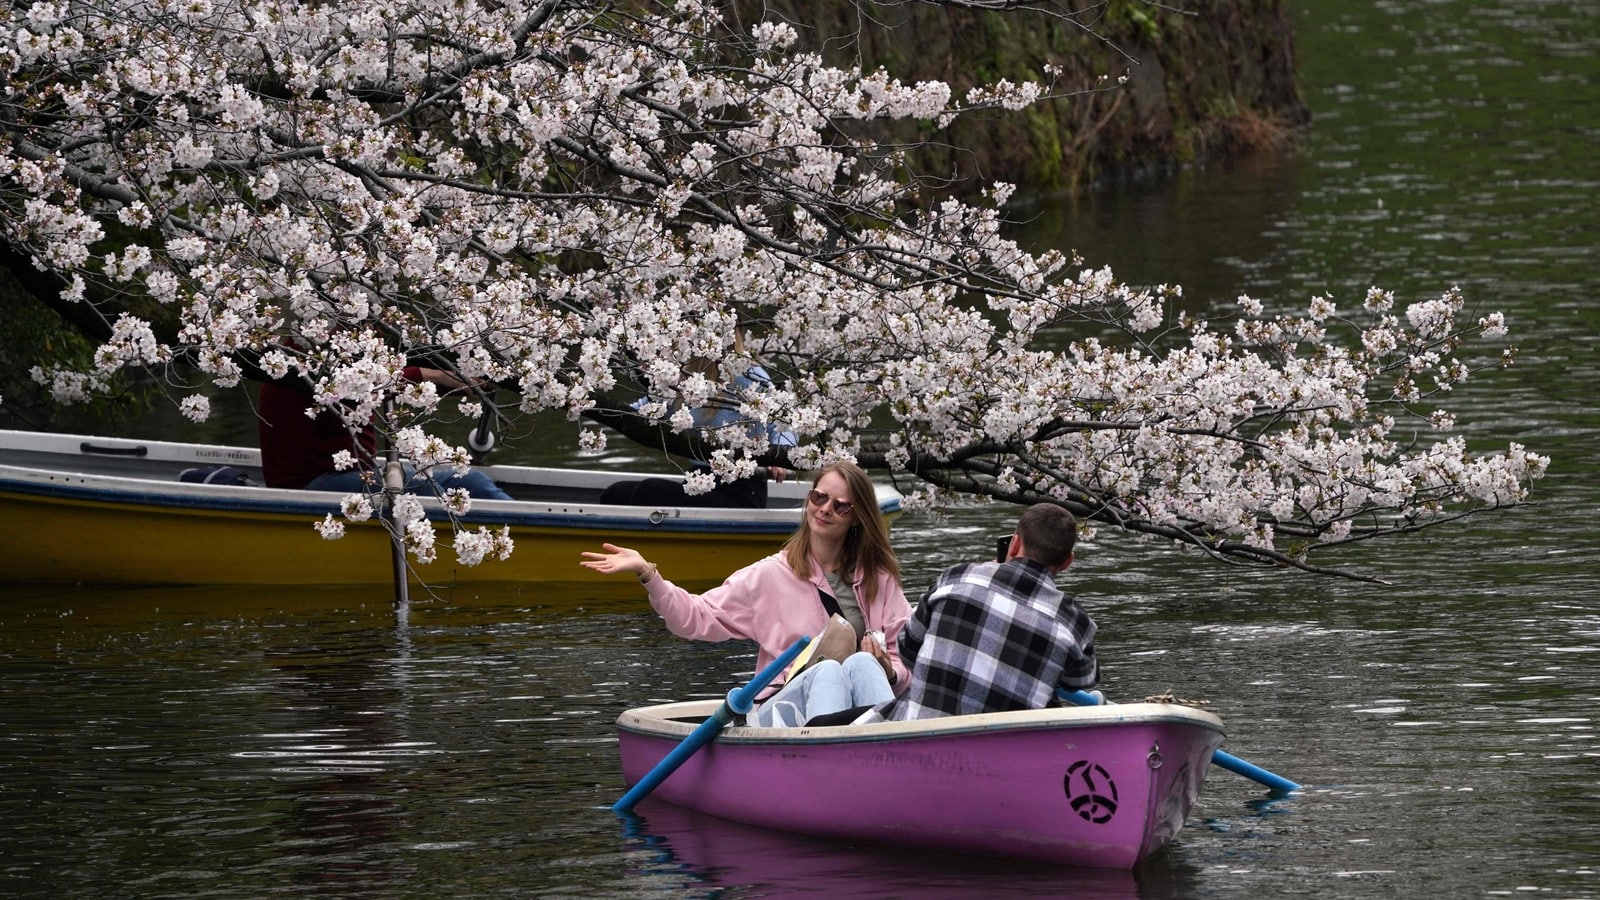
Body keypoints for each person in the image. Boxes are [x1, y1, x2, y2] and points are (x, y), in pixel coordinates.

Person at [581, 461, 910, 726]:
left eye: (840, 507)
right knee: (826, 671)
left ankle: (886, 757)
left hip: (858, 711)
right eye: (818, 498)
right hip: (782, 710)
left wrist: (891, 671)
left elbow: (909, 657)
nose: (824, 510)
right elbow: (695, 618)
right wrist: (648, 574)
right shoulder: (769, 575)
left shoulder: (878, 579)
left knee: (867, 664)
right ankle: (829, 765)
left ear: (856, 518)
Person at [860, 503, 1098, 723]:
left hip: (919, 734)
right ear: (1067, 562)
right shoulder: (1073, 621)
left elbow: (907, 650)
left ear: (1014, 544)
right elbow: (1081, 680)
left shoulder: (956, 578)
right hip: (1002, 750)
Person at [257, 365, 512, 500]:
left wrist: (458, 380)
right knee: (462, 487)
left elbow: (384, 379)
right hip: (313, 486)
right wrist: (427, 374)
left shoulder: (340, 361)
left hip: (351, 475)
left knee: (470, 481)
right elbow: (359, 383)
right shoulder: (304, 366)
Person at [599, 340, 796, 509]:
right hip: (698, 481)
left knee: (649, 490)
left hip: (741, 489)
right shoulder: (680, 375)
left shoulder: (750, 374)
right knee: (616, 493)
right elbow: (641, 409)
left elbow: (783, 419)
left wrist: (779, 456)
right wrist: (593, 407)